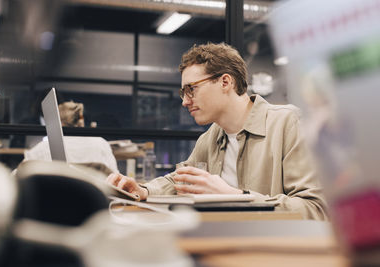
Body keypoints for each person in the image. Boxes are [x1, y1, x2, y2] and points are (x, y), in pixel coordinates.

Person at [107, 42, 327, 220]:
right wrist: (143, 190)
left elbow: (316, 209)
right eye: (183, 92)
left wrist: (235, 197)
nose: (185, 101)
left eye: (191, 89)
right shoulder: (212, 136)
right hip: (226, 243)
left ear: (225, 82)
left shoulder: (289, 123)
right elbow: (180, 180)